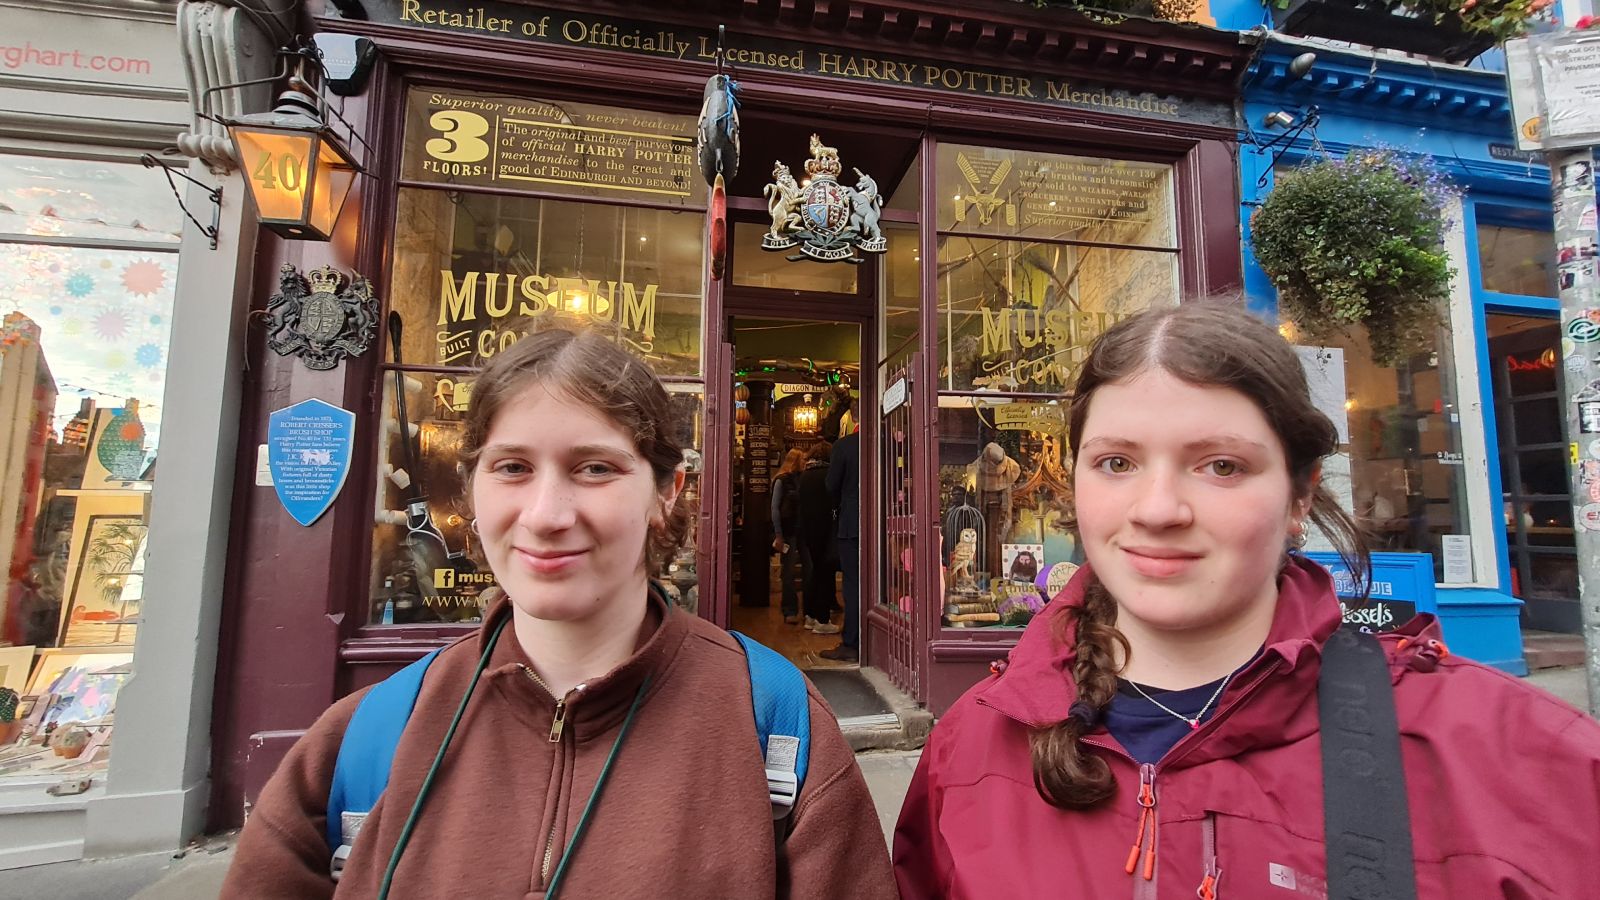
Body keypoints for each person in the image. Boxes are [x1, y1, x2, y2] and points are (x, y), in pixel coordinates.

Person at [894, 304, 1600, 898]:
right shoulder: (970, 746)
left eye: (1221, 466)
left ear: (1299, 497)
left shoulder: (1522, 764)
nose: (1158, 509)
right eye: (1116, 462)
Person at [224, 330, 896, 899]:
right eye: (512, 467)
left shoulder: (779, 731)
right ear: (472, 488)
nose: (546, 515)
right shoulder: (360, 747)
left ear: (667, 492)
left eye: (595, 468)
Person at [823, 424, 860, 661]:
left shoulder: (844, 446)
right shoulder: (890, 443)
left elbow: (831, 485)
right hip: (885, 523)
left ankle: (852, 642)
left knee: (852, 584)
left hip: (852, 523)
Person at [796, 440, 840, 634]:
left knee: (815, 572)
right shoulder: (828, 475)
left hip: (808, 530)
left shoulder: (805, 475)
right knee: (824, 574)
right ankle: (822, 620)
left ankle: (810, 615)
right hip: (825, 530)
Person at [771, 448, 806, 625]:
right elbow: (775, 508)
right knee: (789, 571)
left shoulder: (802, 479)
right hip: (789, 531)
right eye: (803, 460)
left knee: (805, 570)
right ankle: (789, 609)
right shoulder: (781, 481)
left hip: (802, 531)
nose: (805, 463)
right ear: (796, 460)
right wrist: (778, 534)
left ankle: (806, 610)